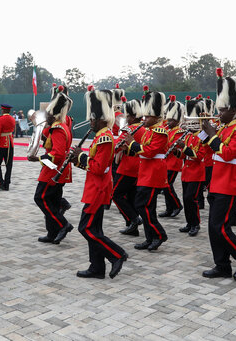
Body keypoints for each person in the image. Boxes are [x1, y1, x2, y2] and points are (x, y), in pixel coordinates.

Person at [200, 68, 236, 281]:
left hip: (230, 183)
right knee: (213, 228)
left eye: (222, 110)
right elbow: (207, 151)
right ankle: (222, 264)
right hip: (217, 182)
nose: (219, 113)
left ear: (233, 109)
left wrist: (213, 137)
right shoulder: (222, 128)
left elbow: (228, 152)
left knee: (220, 227)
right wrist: (204, 134)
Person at [72, 87, 128, 279]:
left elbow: (98, 167)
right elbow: (94, 166)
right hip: (95, 187)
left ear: (101, 119)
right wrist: (76, 160)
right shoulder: (101, 136)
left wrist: (81, 156)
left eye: (92, 119)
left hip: (98, 189)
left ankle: (117, 254)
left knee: (85, 228)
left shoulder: (104, 138)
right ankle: (97, 267)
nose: (91, 122)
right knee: (94, 229)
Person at [122, 88, 169, 251]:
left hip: (153, 174)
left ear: (156, 117)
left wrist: (131, 143)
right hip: (146, 173)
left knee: (143, 206)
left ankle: (159, 234)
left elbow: (149, 152)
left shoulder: (160, 132)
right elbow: (141, 149)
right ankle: (150, 238)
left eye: (148, 116)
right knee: (147, 207)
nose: (144, 118)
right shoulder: (149, 131)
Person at [28, 85, 74, 244]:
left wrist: (39, 158)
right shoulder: (59, 126)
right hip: (56, 169)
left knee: (40, 198)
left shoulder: (58, 128)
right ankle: (52, 232)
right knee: (53, 200)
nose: (46, 114)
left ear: (53, 114)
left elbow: (58, 153)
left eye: (48, 112)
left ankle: (63, 224)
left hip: (53, 169)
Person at [175, 96, 207, 236]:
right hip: (187, 172)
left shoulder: (202, 136)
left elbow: (199, 156)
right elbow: (183, 156)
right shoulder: (187, 135)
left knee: (191, 199)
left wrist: (184, 148)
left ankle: (196, 224)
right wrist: (177, 150)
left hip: (197, 173)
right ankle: (189, 222)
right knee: (186, 199)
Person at [112, 98, 144, 235]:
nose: (126, 117)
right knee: (131, 196)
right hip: (138, 166)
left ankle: (133, 219)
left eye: (128, 115)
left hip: (127, 166)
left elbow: (115, 147)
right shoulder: (144, 128)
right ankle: (132, 227)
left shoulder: (129, 129)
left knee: (116, 194)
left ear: (131, 116)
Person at [160, 96, 184, 218]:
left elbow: (171, 146)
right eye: (168, 119)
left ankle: (177, 205)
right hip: (166, 162)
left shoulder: (179, 132)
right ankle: (169, 208)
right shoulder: (167, 130)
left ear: (177, 120)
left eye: (171, 120)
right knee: (165, 186)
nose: (168, 122)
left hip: (173, 162)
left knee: (168, 185)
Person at [0, 104, 16, 191]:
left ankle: (0, 183)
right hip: (10, 143)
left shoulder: (0, 119)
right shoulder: (12, 119)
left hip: (1, 144)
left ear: (2, 110)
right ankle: (7, 184)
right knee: (9, 165)